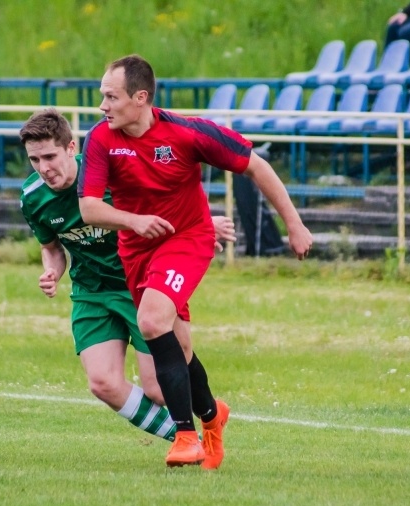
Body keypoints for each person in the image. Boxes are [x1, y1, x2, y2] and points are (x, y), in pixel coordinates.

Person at [78, 54, 313, 468]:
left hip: (187, 238)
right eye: (103, 96)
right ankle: (212, 415)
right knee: (180, 346)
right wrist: (134, 221)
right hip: (136, 250)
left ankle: (185, 437)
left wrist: (294, 226)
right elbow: (89, 208)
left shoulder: (187, 132)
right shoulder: (100, 139)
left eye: (111, 97)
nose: (103, 106)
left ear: (140, 97)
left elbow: (256, 166)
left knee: (152, 321)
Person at [18, 108, 236, 448]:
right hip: (91, 291)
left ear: (71, 148)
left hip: (141, 285)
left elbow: (163, 199)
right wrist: (52, 271)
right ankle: (185, 438)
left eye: (50, 157)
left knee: (158, 389)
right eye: (34, 159)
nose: (44, 168)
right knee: (102, 383)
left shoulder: (106, 175)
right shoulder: (33, 197)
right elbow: (52, 248)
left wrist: (204, 224)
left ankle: (209, 413)